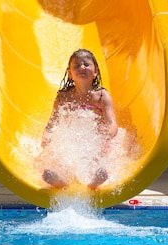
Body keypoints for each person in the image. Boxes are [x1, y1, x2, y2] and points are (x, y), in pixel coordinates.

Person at [40, 49, 118, 188]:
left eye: (86, 64)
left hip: (96, 139)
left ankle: (94, 181)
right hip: (73, 139)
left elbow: (112, 123)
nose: (82, 67)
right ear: (70, 73)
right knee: (62, 150)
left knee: (98, 152)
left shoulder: (101, 96)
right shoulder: (63, 96)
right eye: (77, 65)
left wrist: (108, 134)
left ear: (95, 71)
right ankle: (62, 179)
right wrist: (47, 135)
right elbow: (52, 122)